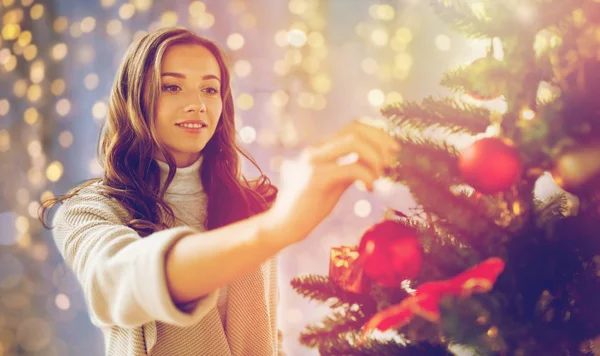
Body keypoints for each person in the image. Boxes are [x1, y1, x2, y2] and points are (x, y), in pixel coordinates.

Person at [39, 27, 400, 356]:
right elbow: (120, 282)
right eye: (172, 86)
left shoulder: (251, 204)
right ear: (135, 97)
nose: (197, 103)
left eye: (210, 89)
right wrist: (279, 227)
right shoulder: (88, 211)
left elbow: (268, 339)